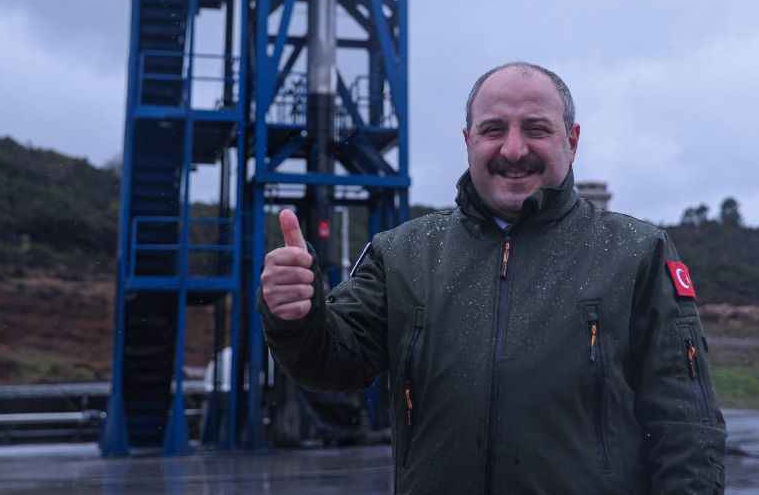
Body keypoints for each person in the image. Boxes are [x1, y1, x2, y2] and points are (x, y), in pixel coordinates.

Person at [260, 62, 726, 493]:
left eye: (537, 129)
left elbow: (686, 429)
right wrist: (297, 317)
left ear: (573, 139)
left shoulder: (638, 255)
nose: (514, 149)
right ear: (468, 140)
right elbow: (334, 364)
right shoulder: (402, 254)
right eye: (493, 130)